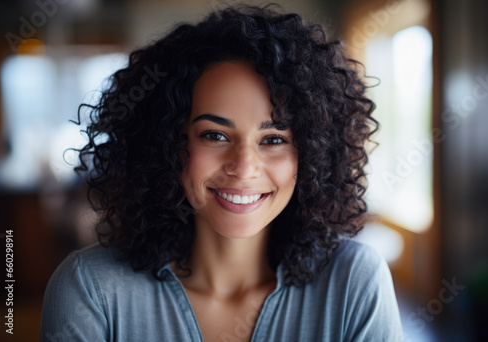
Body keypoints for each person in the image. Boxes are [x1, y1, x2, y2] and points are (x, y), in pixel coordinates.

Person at [40, 4, 403, 342]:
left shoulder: (354, 281)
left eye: (274, 138)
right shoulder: (90, 289)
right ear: (166, 145)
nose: (243, 167)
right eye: (214, 135)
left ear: (311, 154)